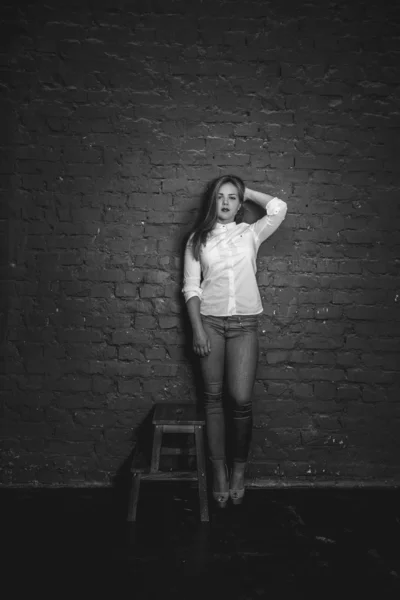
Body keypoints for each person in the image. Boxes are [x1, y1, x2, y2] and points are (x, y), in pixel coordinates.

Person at [182, 175, 287, 508]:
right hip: (210, 323)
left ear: (240, 204)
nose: (225, 203)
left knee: (240, 399)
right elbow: (191, 288)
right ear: (212, 202)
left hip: (245, 325)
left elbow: (279, 208)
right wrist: (197, 329)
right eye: (220, 197)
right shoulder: (197, 239)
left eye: (232, 198)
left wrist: (248, 191)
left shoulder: (251, 234)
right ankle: (220, 474)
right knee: (212, 399)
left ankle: (239, 471)